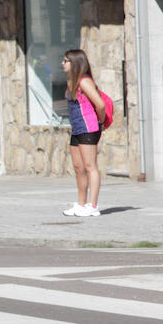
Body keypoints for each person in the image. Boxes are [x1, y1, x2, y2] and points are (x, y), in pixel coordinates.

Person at [61, 49, 106, 217]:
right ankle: (80, 204)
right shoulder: (72, 82)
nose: (63, 63)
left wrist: (100, 121)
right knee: (79, 167)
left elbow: (100, 105)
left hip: (88, 127)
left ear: (75, 63)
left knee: (90, 167)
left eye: (66, 61)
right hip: (77, 128)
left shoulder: (84, 82)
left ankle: (92, 205)